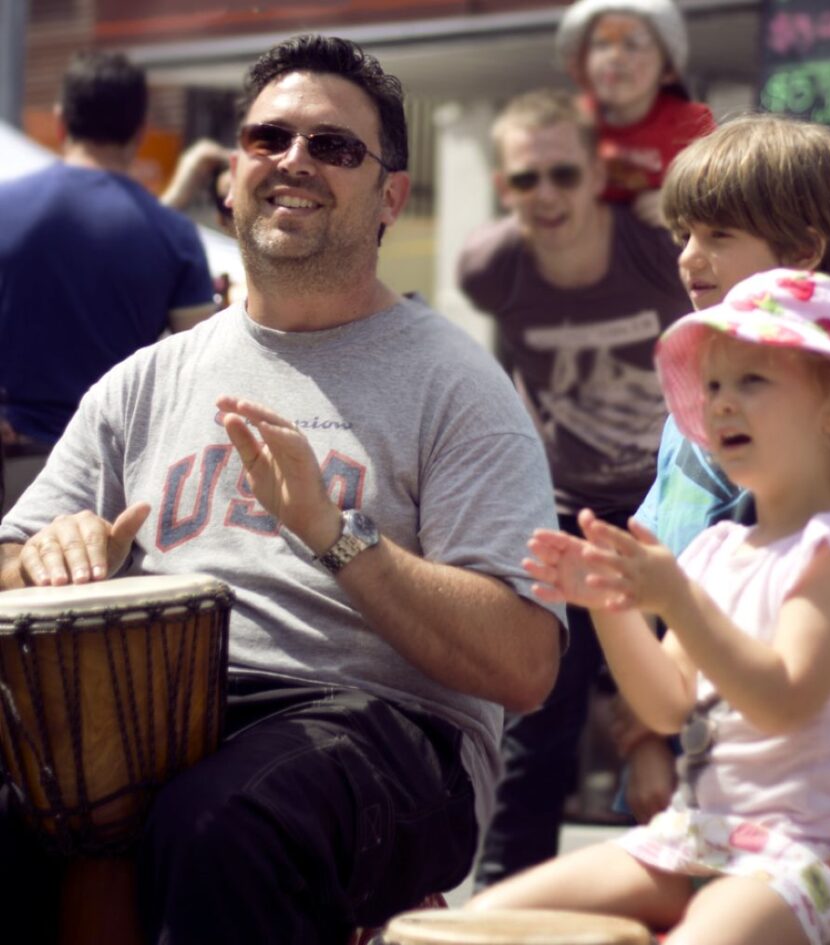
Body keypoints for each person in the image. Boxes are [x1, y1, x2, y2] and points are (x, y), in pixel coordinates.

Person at [0, 34, 562, 945]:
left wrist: (337, 536)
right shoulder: (143, 380)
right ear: (231, 179)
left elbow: (527, 660)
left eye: (334, 146)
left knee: (224, 820)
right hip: (152, 718)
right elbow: (10, 555)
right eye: (269, 139)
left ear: (391, 197)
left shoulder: (459, 384)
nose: (294, 160)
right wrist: (47, 560)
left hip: (383, 733)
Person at [470, 268, 830, 945]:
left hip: (814, 854)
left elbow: (782, 698)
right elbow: (667, 704)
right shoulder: (717, 547)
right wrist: (612, 606)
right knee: (483, 925)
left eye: (751, 381)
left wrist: (675, 597)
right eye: (712, 385)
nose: (722, 404)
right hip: (696, 838)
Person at [613, 113, 830, 824]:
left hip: (775, 774)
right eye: (683, 235)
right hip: (692, 716)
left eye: (717, 236)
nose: (688, 257)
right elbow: (664, 572)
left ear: (802, 251)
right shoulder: (699, 414)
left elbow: (782, 623)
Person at [457, 88, 690, 887]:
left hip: (674, 503)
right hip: (564, 506)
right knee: (539, 716)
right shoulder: (492, 268)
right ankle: (503, 896)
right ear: (502, 186)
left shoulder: (653, 247)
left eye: (564, 174)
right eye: (526, 180)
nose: (546, 196)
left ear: (597, 175)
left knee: (693, 707)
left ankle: (706, 884)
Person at [0, 51, 216, 456]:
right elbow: (197, 369)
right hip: (107, 467)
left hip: (10, 457)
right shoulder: (175, 235)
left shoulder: (4, 206)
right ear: (141, 131)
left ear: (62, 121)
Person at [555, 0, 714, 222]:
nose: (615, 57)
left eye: (633, 45)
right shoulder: (569, 122)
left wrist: (680, 204)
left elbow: (718, 197)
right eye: (601, 44)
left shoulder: (693, 124)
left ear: (668, 68)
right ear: (580, 65)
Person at [161, 137, 235, 234]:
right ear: (220, 218)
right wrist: (177, 196)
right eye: (228, 209)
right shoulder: (199, 243)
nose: (231, 201)